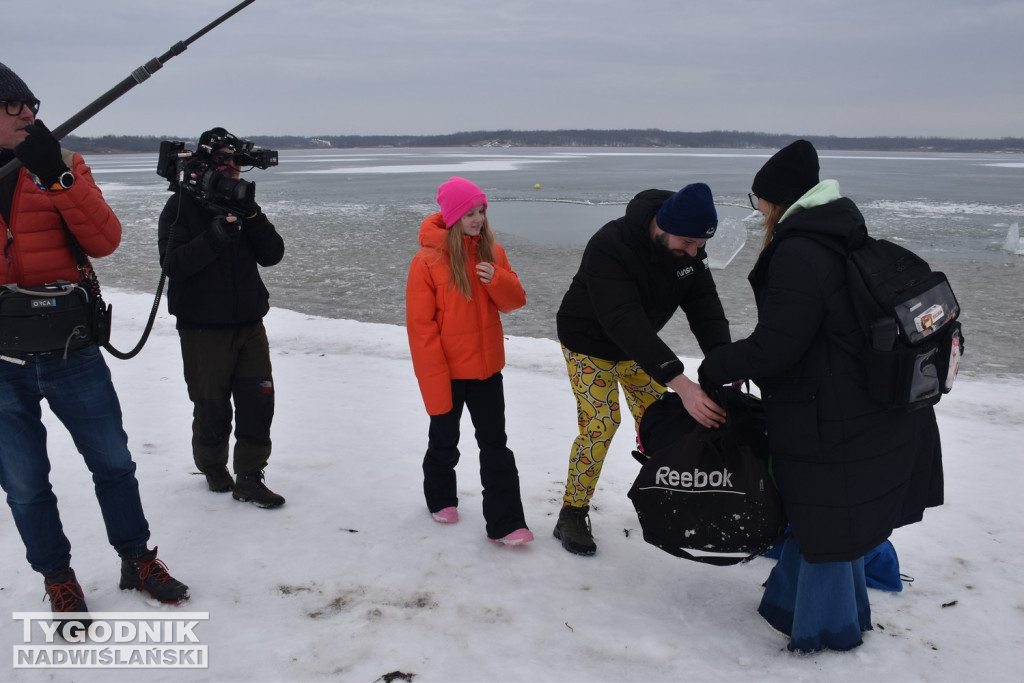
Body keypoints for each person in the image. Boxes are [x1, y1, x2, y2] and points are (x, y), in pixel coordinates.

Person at [697, 140, 944, 652]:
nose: (758, 209)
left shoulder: (799, 252)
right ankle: (790, 604)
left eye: (758, 199)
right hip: (862, 407)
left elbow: (777, 347)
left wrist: (716, 366)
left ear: (777, 200)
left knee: (826, 526)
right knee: (828, 518)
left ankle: (827, 635)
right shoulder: (839, 234)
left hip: (830, 417)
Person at [0, 62, 188, 635]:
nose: (27, 114)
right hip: (2, 361)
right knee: (24, 483)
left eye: (30, 104)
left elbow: (105, 240)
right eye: (12, 106)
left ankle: (137, 558)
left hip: (71, 349)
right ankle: (58, 576)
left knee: (113, 462)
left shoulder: (63, 164)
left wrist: (56, 178)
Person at [553, 183, 732, 555]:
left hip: (638, 349)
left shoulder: (688, 247)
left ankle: (667, 498)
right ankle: (572, 511)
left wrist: (722, 358)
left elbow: (704, 303)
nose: (694, 252)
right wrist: (680, 382)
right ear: (662, 226)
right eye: (687, 243)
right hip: (589, 345)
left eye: (700, 245)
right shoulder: (610, 245)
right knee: (601, 424)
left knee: (661, 424)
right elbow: (623, 319)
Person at [158, 127, 286, 508]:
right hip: (202, 326)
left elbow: (273, 253)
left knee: (258, 401)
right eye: (225, 163)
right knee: (212, 405)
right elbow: (173, 265)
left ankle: (250, 476)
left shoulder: (242, 204)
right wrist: (213, 238)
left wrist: (252, 214)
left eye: (236, 163)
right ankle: (213, 466)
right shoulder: (180, 207)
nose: (233, 171)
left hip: (249, 322)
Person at [405, 177, 533, 546]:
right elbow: (421, 330)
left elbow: (515, 301)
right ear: (452, 216)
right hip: (446, 374)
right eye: (469, 213)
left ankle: (507, 523)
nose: (478, 219)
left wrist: (497, 279)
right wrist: (434, 383)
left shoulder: (493, 252)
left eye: (481, 211)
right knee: (444, 441)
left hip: (487, 372)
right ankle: (441, 498)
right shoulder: (427, 261)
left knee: (496, 446)